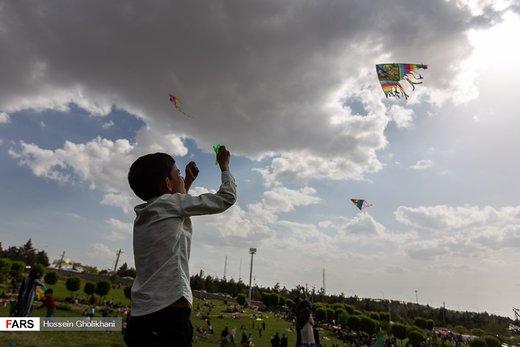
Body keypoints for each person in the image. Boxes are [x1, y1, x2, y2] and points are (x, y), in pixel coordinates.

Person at [123, 146, 237, 347]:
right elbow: (226, 198)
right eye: (178, 174)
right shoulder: (171, 205)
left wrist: (188, 182)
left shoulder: (147, 213)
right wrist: (224, 166)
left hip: (140, 319)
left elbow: (174, 209)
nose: (182, 177)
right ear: (167, 183)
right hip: (167, 319)